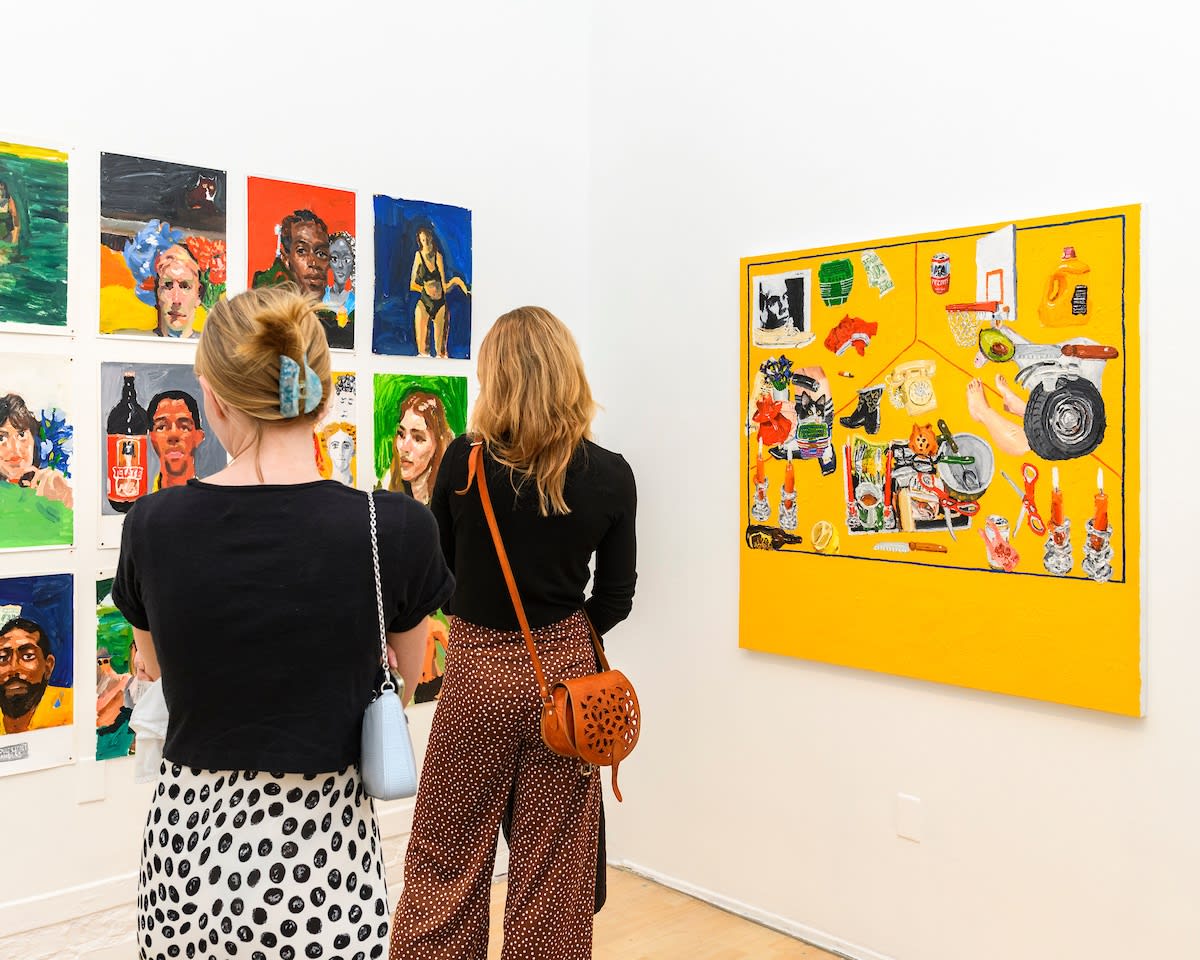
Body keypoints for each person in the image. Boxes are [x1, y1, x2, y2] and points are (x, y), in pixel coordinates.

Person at [111, 285, 453, 960]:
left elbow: (151, 672)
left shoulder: (152, 526)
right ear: (323, 394)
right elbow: (404, 686)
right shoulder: (399, 529)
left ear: (211, 397)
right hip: (321, 859)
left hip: (190, 851)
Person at [390, 305, 638, 959]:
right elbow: (615, 596)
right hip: (569, 687)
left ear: (496, 377)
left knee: (447, 861)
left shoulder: (464, 463)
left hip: (477, 677)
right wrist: (561, 639)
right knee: (553, 873)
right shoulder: (611, 473)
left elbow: (441, 573)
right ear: (568, 372)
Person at [1, 616, 73, 735]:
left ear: (48, 666)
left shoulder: (72, 707)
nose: (13, 668)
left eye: (28, 656)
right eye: (2, 657)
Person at [0, 393, 73, 508]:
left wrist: (65, 497)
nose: (15, 448)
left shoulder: (51, 486)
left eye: (21, 434)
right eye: (1, 438)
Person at [410, 225, 470, 358]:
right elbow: (413, 284)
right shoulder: (418, 256)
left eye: (427, 240)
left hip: (440, 304)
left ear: (431, 239)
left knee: (441, 353)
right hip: (424, 303)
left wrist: (456, 281)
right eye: (423, 240)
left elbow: (443, 286)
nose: (426, 243)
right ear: (420, 241)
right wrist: (426, 290)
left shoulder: (438, 257)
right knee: (422, 352)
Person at [385, 390, 454, 505]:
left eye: (418, 438)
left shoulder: (446, 501)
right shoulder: (390, 491)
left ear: (437, 445)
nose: (404, 447)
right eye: (401, 434)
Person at [146, 390, 206, 489]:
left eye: (184, 427)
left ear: (199, 436)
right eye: (162, 427)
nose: (173, 435)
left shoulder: (211, 501)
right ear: (152, 437)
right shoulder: (142, 502)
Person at [153, 244, 203, 339]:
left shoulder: (213, 349)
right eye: (168, 285)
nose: (176, 300)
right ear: (157, 293)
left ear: (198, 295)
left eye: (185, 286)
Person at [316, 420, 357, 486]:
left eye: (346, 446)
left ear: (353, 451)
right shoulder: (322, 485)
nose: (340, 452)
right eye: (335, 445)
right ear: (328, 451)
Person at [325, 231, 356, 317]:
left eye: (346, 260)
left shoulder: (356, 301)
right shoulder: (321, 295)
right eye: (335, 258)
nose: (340, 265)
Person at [0, 180, 20, 245]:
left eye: (2, 189)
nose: (1, 191)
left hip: (7, 239)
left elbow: (16, 223)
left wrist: (15, 239)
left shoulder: (9, 202)